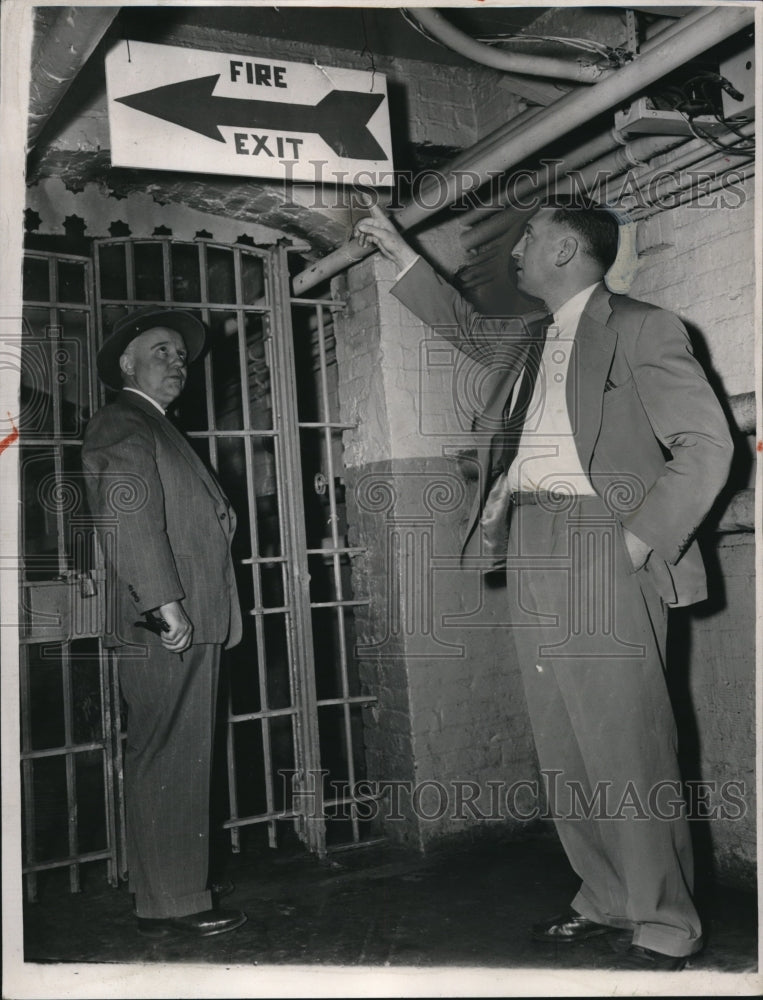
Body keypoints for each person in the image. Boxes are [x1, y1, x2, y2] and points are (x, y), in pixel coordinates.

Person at [354, 201, 732, 971]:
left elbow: (706, 443)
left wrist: (633, 541)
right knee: (563, 738)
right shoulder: (533, 341)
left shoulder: (641, 326)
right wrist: (399, 251)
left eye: (526, 238)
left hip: (602, 537)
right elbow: (462, 330)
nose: (515, 251)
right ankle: (603, 896)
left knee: (627, 738)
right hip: (530, 535)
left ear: (563, 247)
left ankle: (664, 919)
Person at [82, 307, 247, 938]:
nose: (176, 362)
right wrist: (161, 600)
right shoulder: (122, 420)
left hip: (185, 612)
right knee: (168, 751)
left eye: (181, 355)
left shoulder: (153, 423)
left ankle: (174, 884)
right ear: (126, 363)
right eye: (161, 351)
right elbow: (126, 513)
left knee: (178, 751)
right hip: (166, 619)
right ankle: (174, 900)